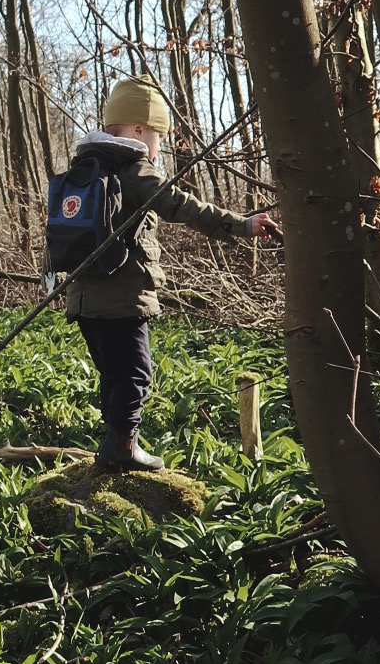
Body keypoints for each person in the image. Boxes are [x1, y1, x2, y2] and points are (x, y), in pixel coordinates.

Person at [53, 78, 277, 468]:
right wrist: (241, 224)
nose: (159, 147)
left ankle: (114, 443)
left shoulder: (84, 166)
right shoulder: (136, 168)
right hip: (123, 297)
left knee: (114, 373)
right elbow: (180, 205)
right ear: (138, 129)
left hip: (82, 297)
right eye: (158, 136)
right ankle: (123, 448)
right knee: (136, 373)